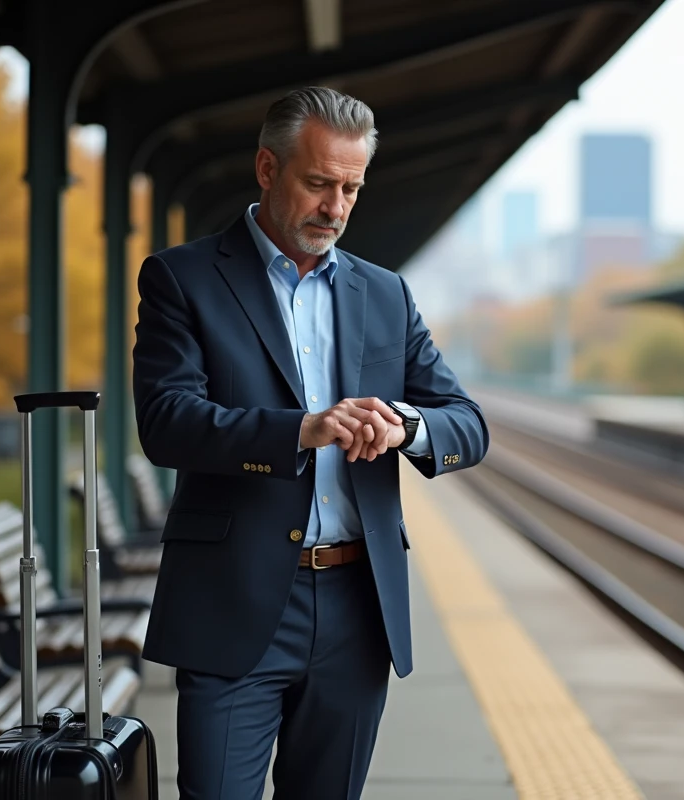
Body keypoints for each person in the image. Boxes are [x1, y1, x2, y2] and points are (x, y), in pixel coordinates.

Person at [130, 86, 489, 799]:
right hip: (233, 603)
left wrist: (406, 426)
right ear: (268, 169)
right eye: (319, 183)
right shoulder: (183, 278)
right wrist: (303, 429)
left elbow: (466, 422)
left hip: (358, 607)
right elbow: (165, 419)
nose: (336, 207)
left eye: (351, 188)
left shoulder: (385, 293)